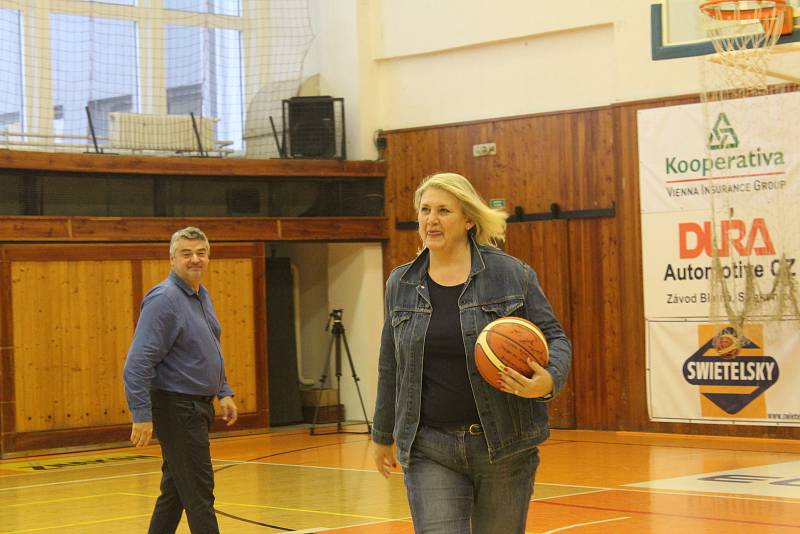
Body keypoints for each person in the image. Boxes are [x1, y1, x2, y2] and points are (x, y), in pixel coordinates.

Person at [371, 173, 572, 533]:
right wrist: (382, 435)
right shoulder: (401, 283)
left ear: (468, 220)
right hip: (429, 446)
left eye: (444, 210)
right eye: (425, 210)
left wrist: (548, 380)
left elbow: (556, 337)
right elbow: (391, 366)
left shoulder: (511, 275)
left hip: (505, 444)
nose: (431, 220)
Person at [123, 226, 238, 534]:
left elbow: (209, 345)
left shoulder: (201, 296)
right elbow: (137, 363)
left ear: (209, 257)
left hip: (197, 408)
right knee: (200, 493)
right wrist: (141, 414)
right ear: (172, 258)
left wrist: (223, 391)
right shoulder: (165, 300)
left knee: (175, 493)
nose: (195, 260)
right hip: (177, 409)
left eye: (201, 253)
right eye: (186, 254)